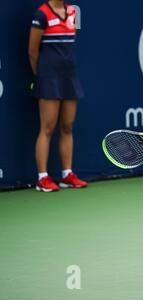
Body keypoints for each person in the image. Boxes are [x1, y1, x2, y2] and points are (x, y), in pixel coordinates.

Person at [28, 0, 87, 192]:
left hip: (69, 77)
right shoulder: (42, 14)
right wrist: (41, 75)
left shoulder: (71, 12)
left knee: (67, 126)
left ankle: (66, 174)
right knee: (47, 127)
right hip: (48, 77)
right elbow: (32, 51)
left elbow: (69, 45)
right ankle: (42, 177)